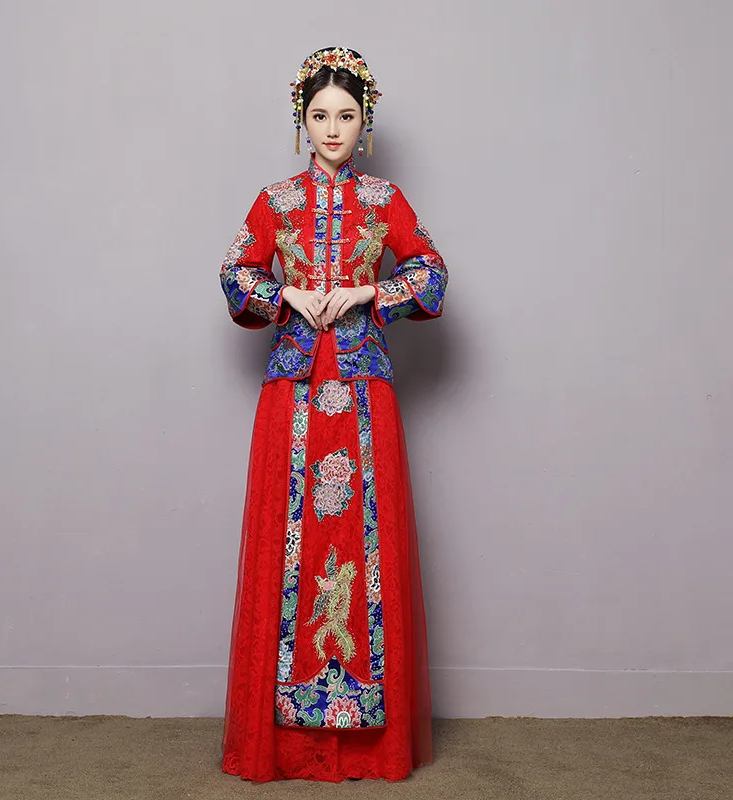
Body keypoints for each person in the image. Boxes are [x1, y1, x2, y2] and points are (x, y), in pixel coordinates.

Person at [219, 45, 448, 783]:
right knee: (290, 542)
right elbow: (235, 273)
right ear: (302, 121)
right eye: (319, 116)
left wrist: (367, 294)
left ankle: (370, 740)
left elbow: (432, 274)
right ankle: (284, 740)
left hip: (363, 388)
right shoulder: (275, 200)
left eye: (346, 116)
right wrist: (285, 294)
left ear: (365, 122)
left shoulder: (385, 201)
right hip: (293, 388)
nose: (332, 129)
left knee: (362, 539)